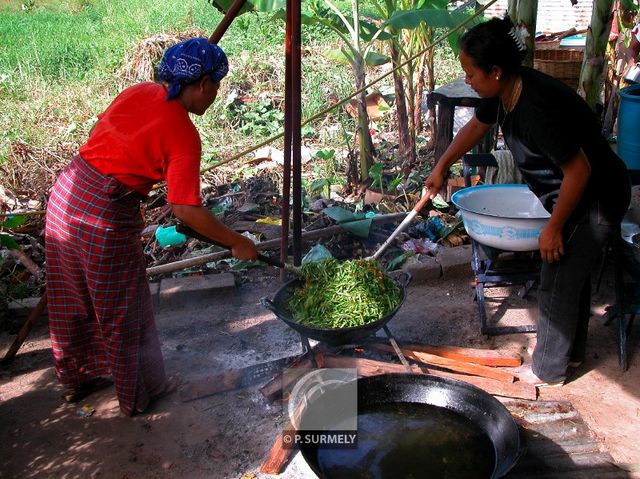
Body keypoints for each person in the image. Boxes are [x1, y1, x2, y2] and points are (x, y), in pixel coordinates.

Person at [45, 38, 258, 416]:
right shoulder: (183, 134)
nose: (214, 96)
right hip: (102, 215)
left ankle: (77, 380)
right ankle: (139, 394)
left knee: (71, 295)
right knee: (123, 307)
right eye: (217, 87)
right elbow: (186, 209)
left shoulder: (140, 91)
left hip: (67, 194)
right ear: (204, 85)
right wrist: (236, 241)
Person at [424, 17, 631, 387]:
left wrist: (553, 228)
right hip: (575, 191)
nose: (467, 79)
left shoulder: (536, 108)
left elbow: (579, 171)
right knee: (571, 279)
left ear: (497, 71)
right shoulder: (503, 93)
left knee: (555, 281)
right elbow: (476, 126)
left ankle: (547, 372)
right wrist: (442, 164)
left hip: (597, 194)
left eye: (471, 72)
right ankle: (571, 355)